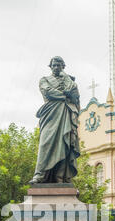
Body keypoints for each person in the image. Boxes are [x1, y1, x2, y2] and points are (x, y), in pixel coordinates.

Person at [29, 56, 80, 184]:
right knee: (45, 143)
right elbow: (48, 92)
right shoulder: (44, 80)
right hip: (50, 115)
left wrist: (66, 78)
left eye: (59, 65)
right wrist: (65, 95)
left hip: (65, 114)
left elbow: (74, 95)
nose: (56, 67)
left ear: (63, 67)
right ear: (50, 67)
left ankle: (60, 177)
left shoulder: (69, 81)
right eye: (54, 65)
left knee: (64, 144)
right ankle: (39, 174)